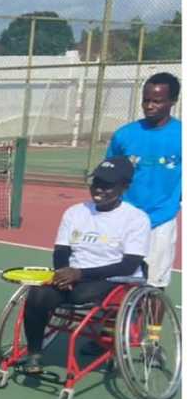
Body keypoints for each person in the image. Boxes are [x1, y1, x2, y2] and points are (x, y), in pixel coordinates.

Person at [20, 156, 150, 374]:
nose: (99, 189)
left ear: (124, 187)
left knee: (80, 294)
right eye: (96, 182)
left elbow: (128, 265)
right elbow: (62, 250)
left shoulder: (136, 219)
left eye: (107, 185)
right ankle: (34, 354)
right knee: (37, 294)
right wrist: (63, 272)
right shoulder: (75, 212)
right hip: (75, 275)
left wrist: (79, 274)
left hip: (114, 280)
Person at [104, 72, 181, 291]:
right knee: (116, 280)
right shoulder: (124, 135)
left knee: (154, 284)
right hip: (124, 218)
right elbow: (110, 173)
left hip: (161, 220)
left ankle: (152, 316)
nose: (149, 106)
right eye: (146, 100)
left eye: (157, 101)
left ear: (173, 101)